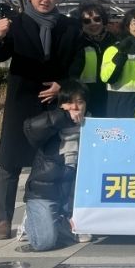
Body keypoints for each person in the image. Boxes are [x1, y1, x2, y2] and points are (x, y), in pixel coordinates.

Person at [0, 0, 82, 240]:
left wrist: (62, 85)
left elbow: (77, 62)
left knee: (51, 161)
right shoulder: (16, 23)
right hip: (21, 101)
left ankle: (49, 215)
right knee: (10, 162)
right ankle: (3, 219)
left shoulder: (69, 26)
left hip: (53, 102)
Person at [21, 80, 88, 251]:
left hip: (71, 199)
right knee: (44, 242)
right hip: (44, 193)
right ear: (60, 105)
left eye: (80, 102)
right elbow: (30, 128)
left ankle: (58, 221)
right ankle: (31, 219)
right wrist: (64, 117)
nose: (75, 107)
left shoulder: (92, 127)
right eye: (69, 102)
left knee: (88, 234)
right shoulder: (52, 124)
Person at [100, 8, 135, 118]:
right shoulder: (114, 49)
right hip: (120, 107)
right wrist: (121, 54)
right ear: (127, 26)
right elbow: (107, 78)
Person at [70, 1, 115, 118]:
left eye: (97, 19)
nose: (93, 23)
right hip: (86, 98)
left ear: (103, 20)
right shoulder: (76, 43)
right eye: (87, 21)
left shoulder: (115, 42)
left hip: (111, 97)